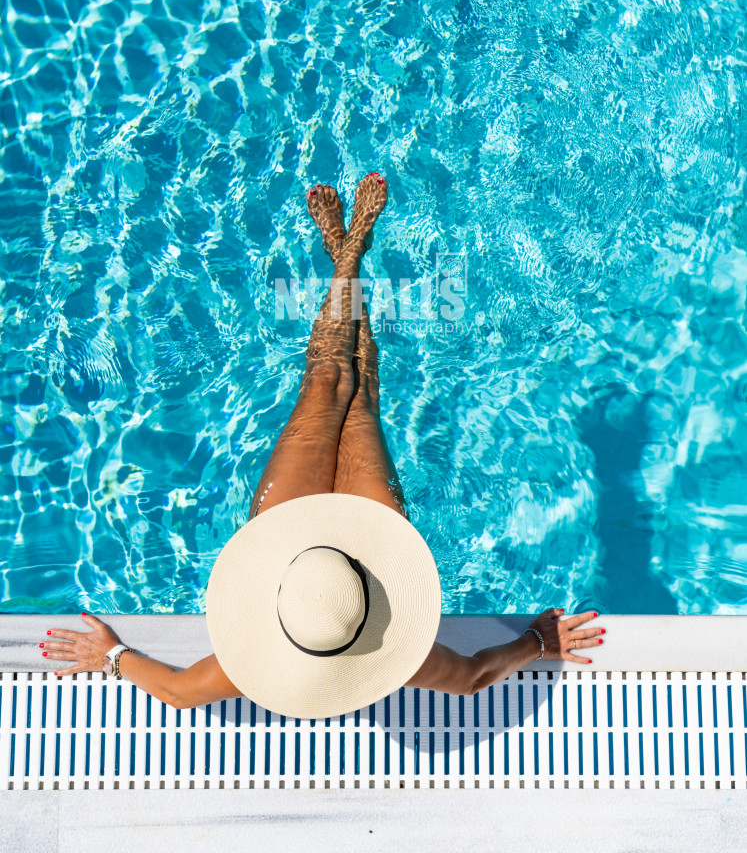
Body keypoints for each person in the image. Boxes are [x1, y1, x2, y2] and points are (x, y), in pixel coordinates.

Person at [38, 173, 605, 715]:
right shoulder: (401, 662)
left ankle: (349, 250)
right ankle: (350, 247)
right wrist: (535, 641)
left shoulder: (248, 669)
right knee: (359, 403)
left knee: (325, 381)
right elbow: (474, 678)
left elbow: (181, 691)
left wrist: (109, 654)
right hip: (363, 557)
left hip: (289, 531)